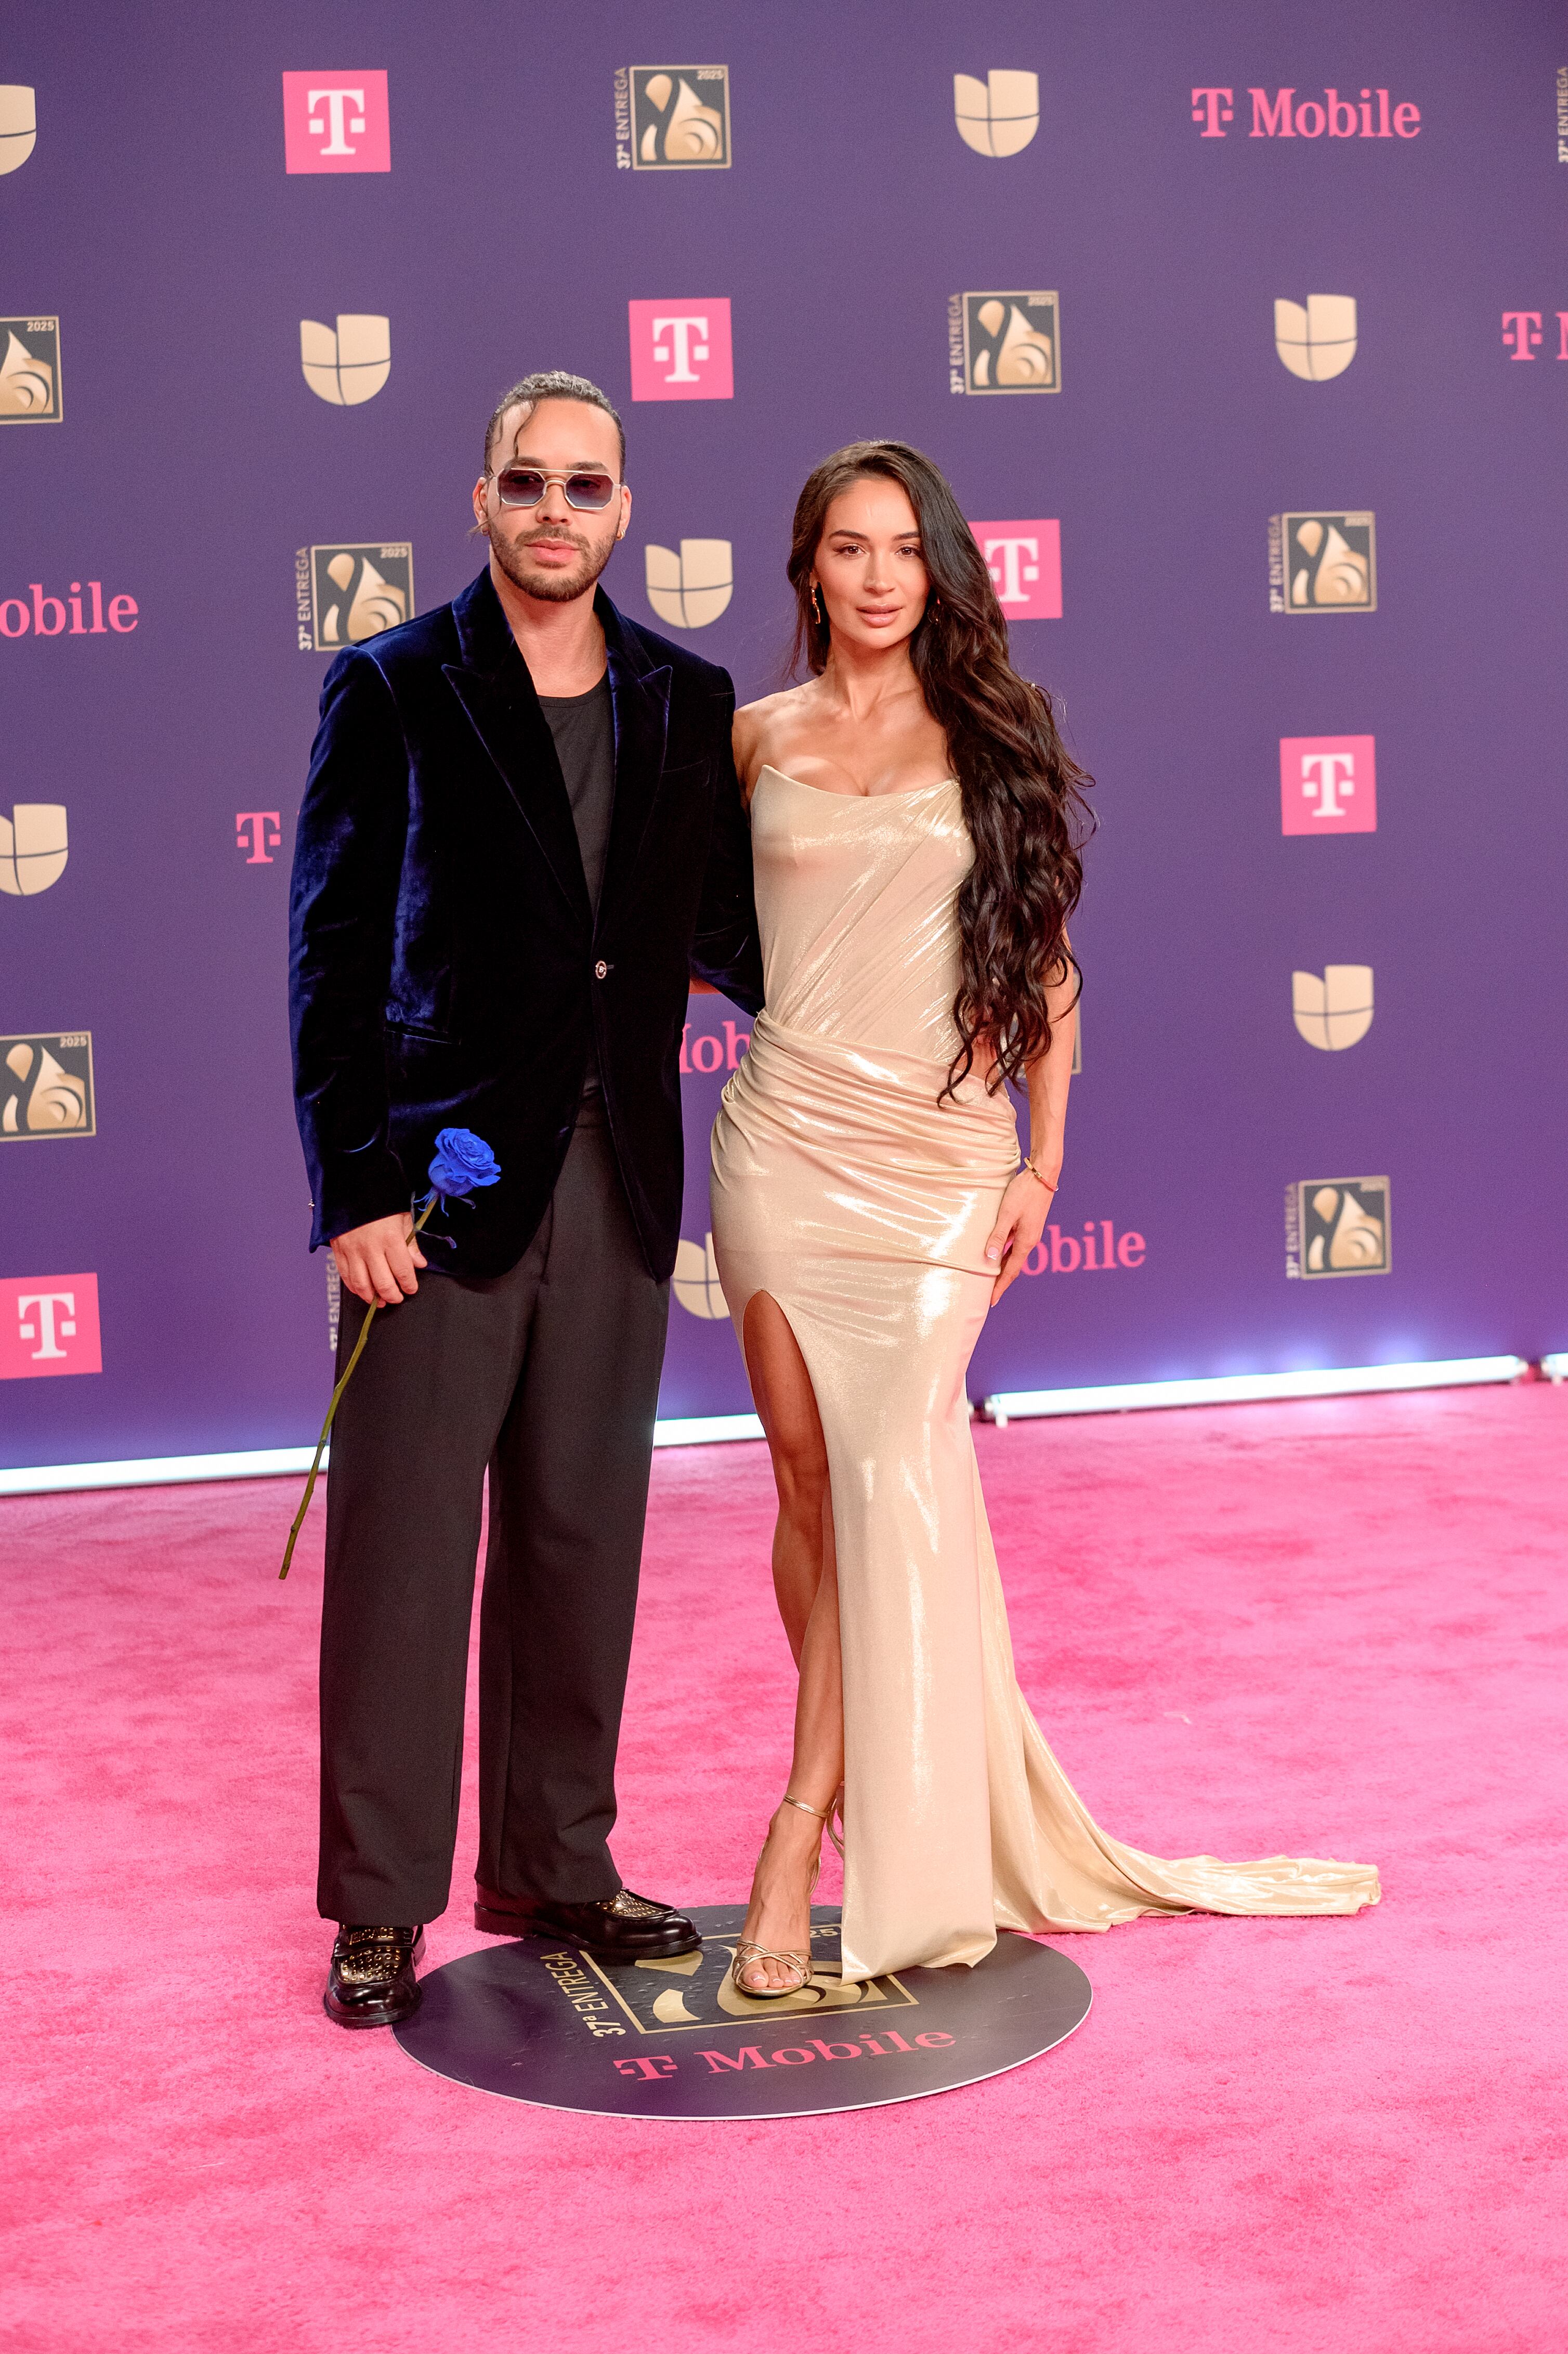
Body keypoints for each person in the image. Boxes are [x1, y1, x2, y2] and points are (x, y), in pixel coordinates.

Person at [710, 440, 1380, 1995]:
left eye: (905, 549)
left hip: (943, 1160)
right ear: (808, 566)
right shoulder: (752, 738)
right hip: (783, 1141)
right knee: (807, 1484)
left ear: (941, 567)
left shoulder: (994, 737)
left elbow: (1048, 965)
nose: (879, 576)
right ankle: (868, 1776)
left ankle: (798, 1831)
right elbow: (698, 932)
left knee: (889, 1475)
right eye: (849, 547)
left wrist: (1043, 1162)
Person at [289, 370, 764, 2027]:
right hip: (435, 1198)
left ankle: (556, 1862)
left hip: (620, 1186)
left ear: (626, 509)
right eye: (528, 483)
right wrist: (357, 1188)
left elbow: (734, 934)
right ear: (480, 500)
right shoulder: (393, 684)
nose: (557, 511)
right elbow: (331, 957)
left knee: (582, 1539)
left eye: (586, 485)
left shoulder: (687, 697)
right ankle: (379, 1903)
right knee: (406, 1559)